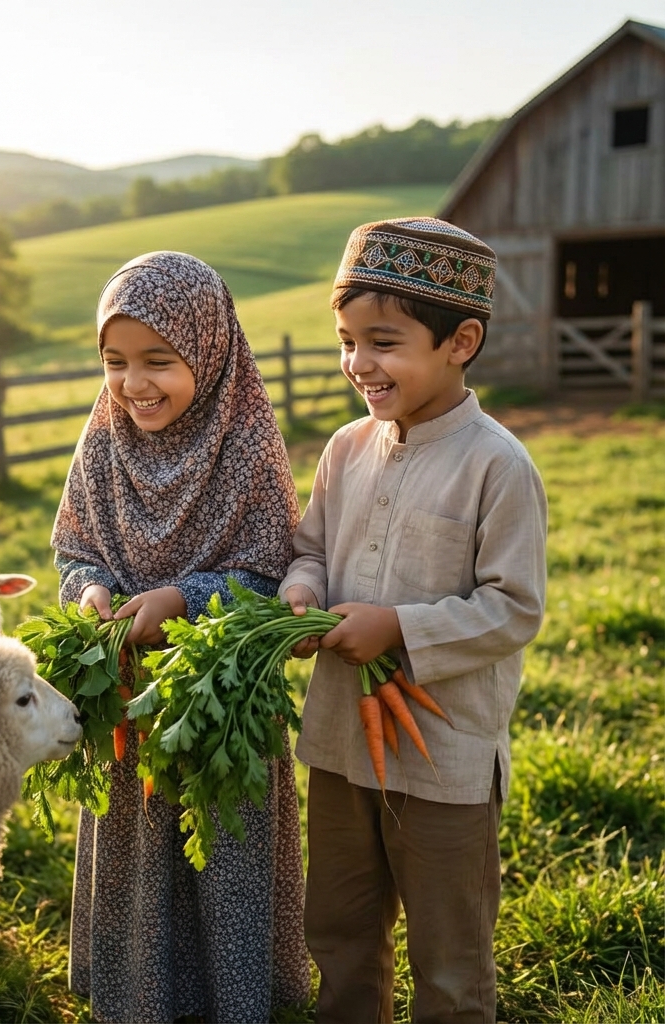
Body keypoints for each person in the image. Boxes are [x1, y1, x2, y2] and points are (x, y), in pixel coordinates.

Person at [280, 218, 547, 1024]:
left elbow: (513, 608)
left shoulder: (497, 464)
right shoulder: (344, 449)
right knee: (339, 930)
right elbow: (310, 548)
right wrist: (301, 591)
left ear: (460, 341)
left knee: (449, 956)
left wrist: (398, 627)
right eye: (347, 341)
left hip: (444, 760)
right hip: (339, 744)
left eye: (384, 343)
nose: (359, 363)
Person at [52, 250, 311, 1024]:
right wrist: (89, 591)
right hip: (127, 693)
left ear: (210, 348)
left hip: (219, 696)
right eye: (115, 361)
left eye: (158, 360)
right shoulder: (102, 444)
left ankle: (233, 996)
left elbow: (269, 571)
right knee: (134, 839)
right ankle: (138, 992)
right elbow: (75, 549)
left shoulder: (247, 446)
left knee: (222, 841)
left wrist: (183, 601)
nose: (134, 382)